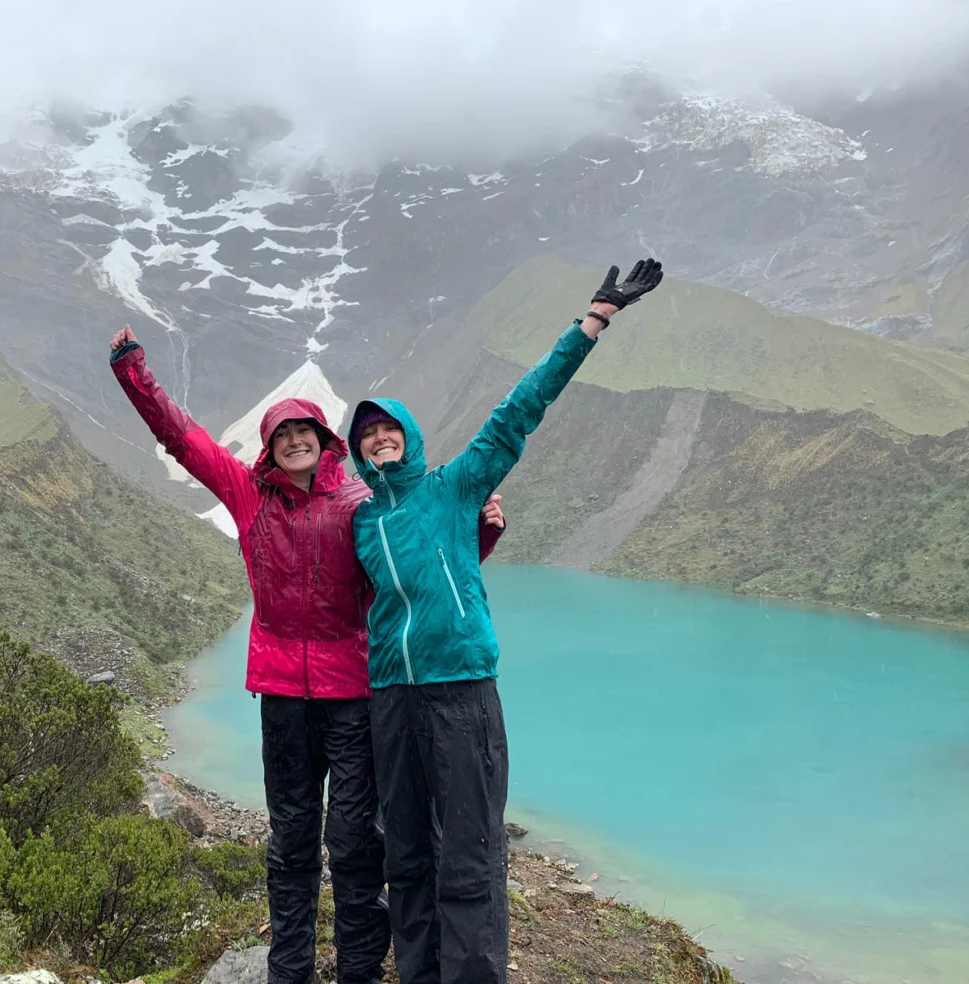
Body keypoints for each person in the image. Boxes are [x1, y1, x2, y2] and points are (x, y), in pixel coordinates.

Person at [107, 323, 508, 984]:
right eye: (282, 433)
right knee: (291, 841)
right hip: (283, 699)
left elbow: (411, 576)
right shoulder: (248, 496)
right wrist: (132, 371)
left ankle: (357, 970)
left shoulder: (357, 505)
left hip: (352, 696)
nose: (295, 440)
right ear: (270, 447)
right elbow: (183, 438)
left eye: (307, 432)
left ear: (325, 443)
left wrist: (480, 536)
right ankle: (287, 971)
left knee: (354, 842)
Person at [345, 259, 665, 984]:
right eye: (365, 437)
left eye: (387, 428)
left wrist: (593, 320)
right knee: (409, 857)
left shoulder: (455, 487)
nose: (377, 440)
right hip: (392, 700)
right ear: (357, 454)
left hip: (460, 691)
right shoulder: (362, 522)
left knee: (468, 855)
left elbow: (519, 411)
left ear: (409, 436)